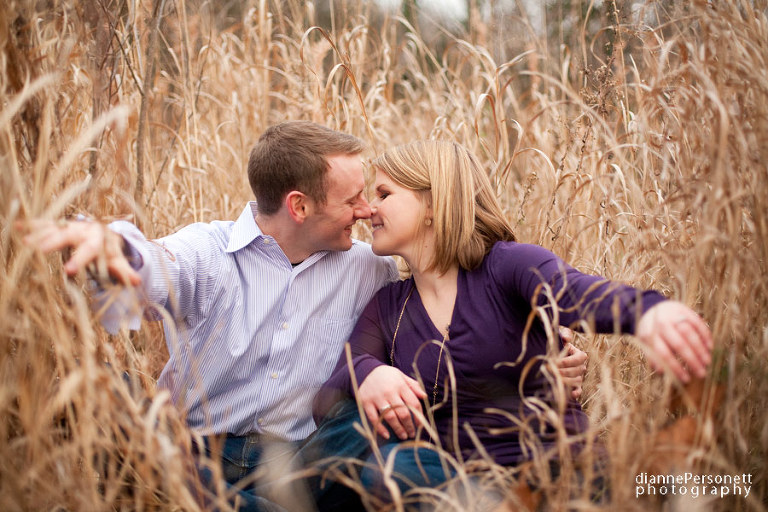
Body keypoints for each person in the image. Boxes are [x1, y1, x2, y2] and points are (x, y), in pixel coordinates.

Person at [18, 121, 590, 510]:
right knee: (102, 394)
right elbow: (154, 262)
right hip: (194, 448)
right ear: (300, 205)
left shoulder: (372, 267)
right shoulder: (210, 254)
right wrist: (113, 244)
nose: (367, 211)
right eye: (353, 199)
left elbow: (459, 284)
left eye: (373, 196)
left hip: (304, 460)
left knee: (368, 429)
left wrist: (536, 350)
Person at [308, 140, 713, 509]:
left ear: (432, 204)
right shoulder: (390, 306)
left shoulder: (507, 266)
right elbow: (329, 401)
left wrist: (648, 313)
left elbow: (574, 293)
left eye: (384, 194)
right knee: (390, 470)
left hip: (557, 473)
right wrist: (369, 373)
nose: (368, 209)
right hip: (458, 486)